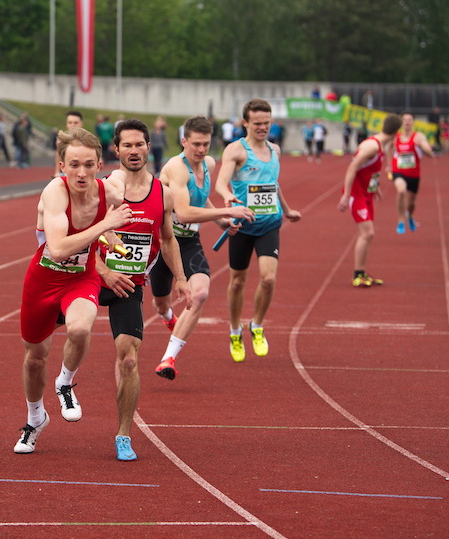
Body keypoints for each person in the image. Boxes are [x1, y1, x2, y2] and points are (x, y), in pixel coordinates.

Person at [14, 127, 132, 455]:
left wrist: (111, 235)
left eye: (89, 165)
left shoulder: (108, 192)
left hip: (82, 278)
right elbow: (59, 247)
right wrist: (105, 228)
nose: (82, 172)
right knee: (35, 358)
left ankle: (65, 383)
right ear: (62, 166)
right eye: (74, 165)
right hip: (43, 279)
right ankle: (35, 418)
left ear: (98, 165)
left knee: (80, 328)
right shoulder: (55, 191)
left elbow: (121, 179)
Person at [95, 119, 193, 460]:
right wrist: (105, 271)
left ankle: (124, 435)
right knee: (41, 345)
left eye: (139, 145)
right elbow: (79, 238)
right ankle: (46, 404)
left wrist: (181, 278)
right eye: (127, 145)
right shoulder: (103, 190)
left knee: (129, 361)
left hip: (129, 284)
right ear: (116, 149)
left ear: (149, 147)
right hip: (91, 276)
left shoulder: (161, 194)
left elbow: (167, 239)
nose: (134, 151)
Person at [151, 116, 254, 378]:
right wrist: (229, 209)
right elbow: (184, 212)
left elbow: (201, 197)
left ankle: (168, 359)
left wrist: (222, 221)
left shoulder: (207, 163)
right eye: (195, 143)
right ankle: (168, 319)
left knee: (200, 294)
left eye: (206, 144)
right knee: (160, 303)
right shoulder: (176, 168)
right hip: (163, 240)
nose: (200, 150)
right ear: (184, 141)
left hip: (188, 241)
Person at [215, 98, 302, 362]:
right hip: (243, 225)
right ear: (245, 123)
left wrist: (286, 210)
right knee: (238, 282)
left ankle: (257, 325)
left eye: (266, 123)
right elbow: (220, 183)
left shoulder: (275, 150)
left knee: (268, 278)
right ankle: (234, 331)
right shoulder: (236, 150)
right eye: (257, 123)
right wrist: (227, 199)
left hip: (270, 224)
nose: (263, 127)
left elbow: (273, 185)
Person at [336, 113, 401, 287]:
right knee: (368, 233)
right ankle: (357, 275)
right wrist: (346, 194)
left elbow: (369, 169)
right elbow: (352, 167)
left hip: (367, 195)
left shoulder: (381, 145)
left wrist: (376, 186)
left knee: (367, 235)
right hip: (356, 195)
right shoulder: (372, 146)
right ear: (396, 132)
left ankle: (362, 273)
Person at [390, 112, 435, 235]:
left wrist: (424, 147)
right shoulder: (395, 137)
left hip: (414, 174)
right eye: (404, 119)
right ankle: (400, 221)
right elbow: (389, 149)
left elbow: (428, 151)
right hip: (398, 171)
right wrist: (389, 166)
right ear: (401, 122)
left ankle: (410, 216)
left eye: (409, 119)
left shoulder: (418, 137)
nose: (407, 122)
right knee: (400, 191)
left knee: (411, 203)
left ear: (413, 122)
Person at [53, 110, 84, 177]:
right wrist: (57, 172)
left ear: (81, 124)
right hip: (65, 172)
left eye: (76, 123)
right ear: (66, 124)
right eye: (70, 122)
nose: (72, 125)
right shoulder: (61, 140)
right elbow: (58, 156)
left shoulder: (86, 140)